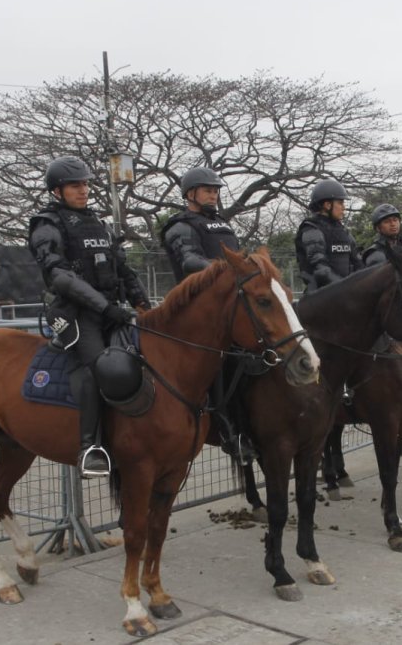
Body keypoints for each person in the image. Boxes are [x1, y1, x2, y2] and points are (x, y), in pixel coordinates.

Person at [28, 156, 151, 478]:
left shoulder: (99, 224)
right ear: (57, 191)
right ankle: (90, 447)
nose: (83, 190)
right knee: (96, 366)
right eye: (74, 186)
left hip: (110, 310)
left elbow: (123, 269)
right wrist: (104, 308)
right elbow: (60, 277)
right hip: (74, 313)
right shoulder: (46, 224)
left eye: (84, 184)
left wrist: (143, 303)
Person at [160, 166, 256, 465]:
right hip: (197, 311)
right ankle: (225, 428)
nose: (213, 195)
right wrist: (228, 270)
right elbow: (189, 261)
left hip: (227, 305)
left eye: (215, 191)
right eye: (207, 190)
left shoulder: (223, 225)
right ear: (190, 194)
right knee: (217, 362)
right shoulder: (180, 226)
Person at [294, 178, 363, 293]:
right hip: (320, 296)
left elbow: (359, 263)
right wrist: (346, 289)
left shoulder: (343, 231)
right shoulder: (312, 230)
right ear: (327, 205)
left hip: (346, 294)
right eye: (340, 203)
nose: (344, 207)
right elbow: (321, 270)